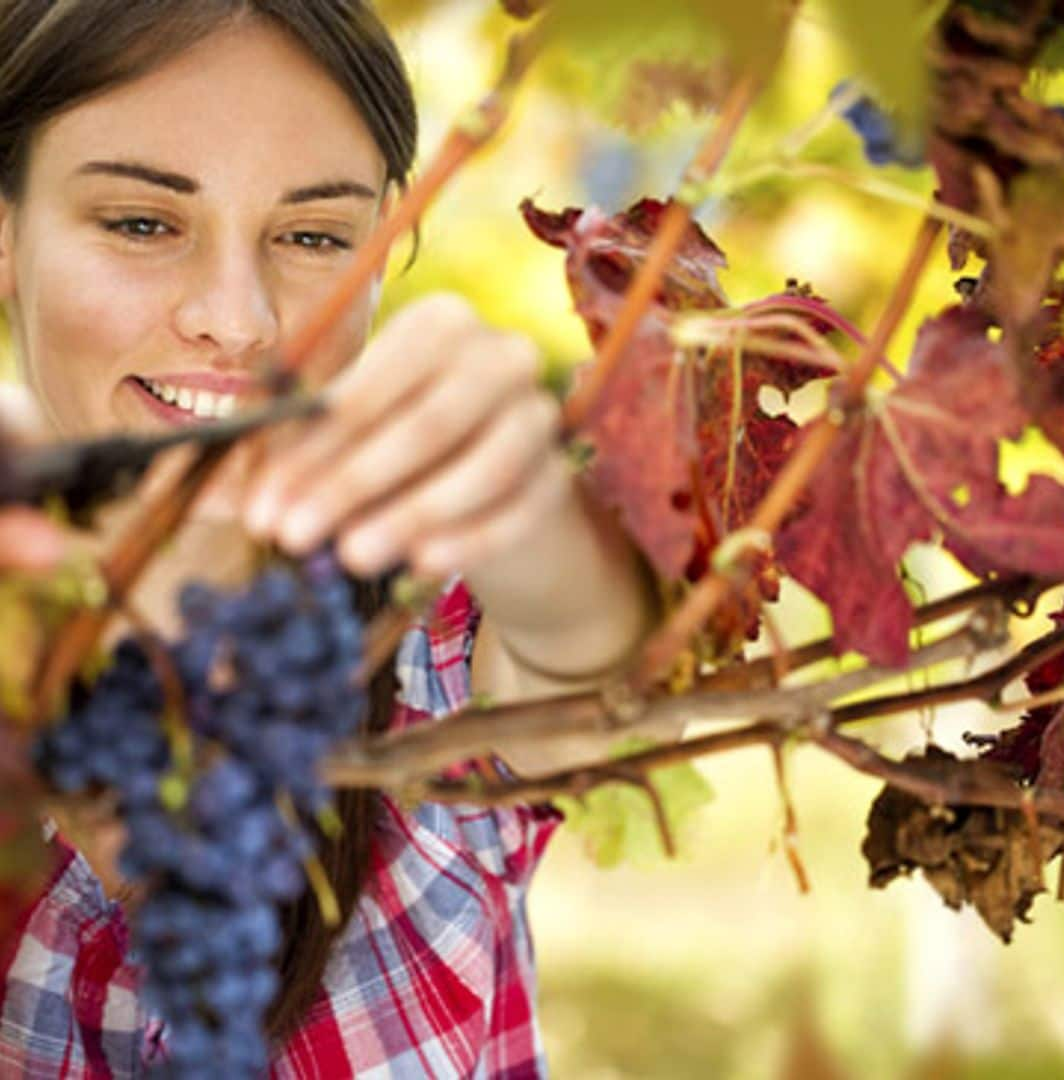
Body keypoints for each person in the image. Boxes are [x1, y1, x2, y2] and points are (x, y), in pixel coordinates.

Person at [0, 1, 654, 1076]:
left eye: (312, 237)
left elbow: (587, 648)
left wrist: (524, 500)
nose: (240, 317)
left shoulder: (414, 641)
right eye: (142, 222)